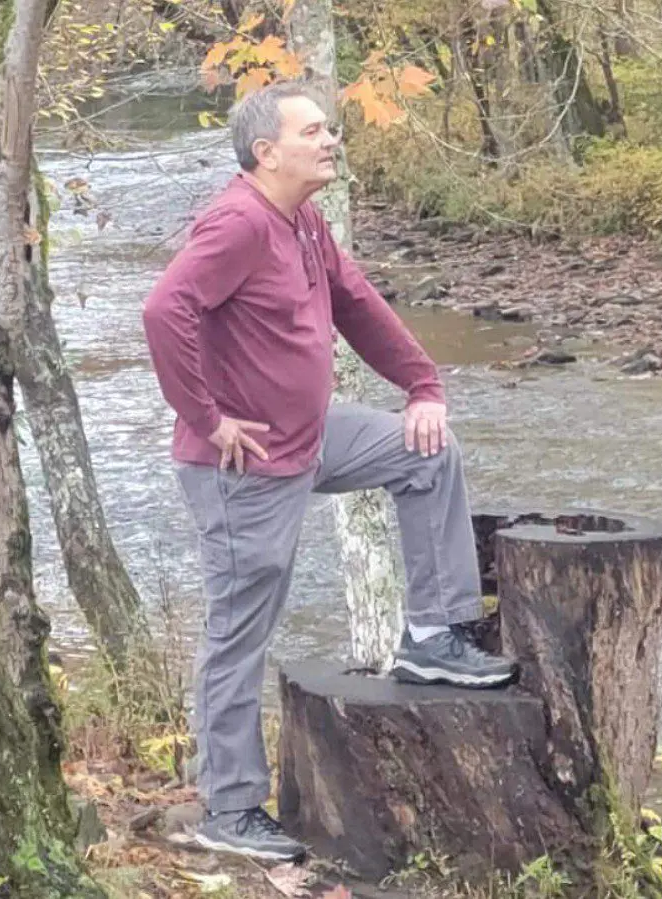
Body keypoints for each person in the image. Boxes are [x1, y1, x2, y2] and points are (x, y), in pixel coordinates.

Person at [142, 80, 517, 863]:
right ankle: (231, 806)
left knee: (425, 449)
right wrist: (209, 418)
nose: (330, 138)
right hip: (242, 466)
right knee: (238, 634)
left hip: (308, 436)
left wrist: (423, 384)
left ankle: (431, 636)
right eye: (313, 130)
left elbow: (356, 301)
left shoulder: (302, 220)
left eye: (330, 128)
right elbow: (163, 310)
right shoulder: (239, 221)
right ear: (265, 152)